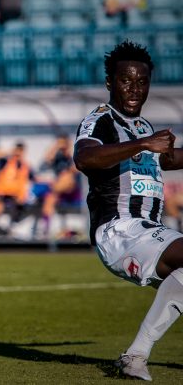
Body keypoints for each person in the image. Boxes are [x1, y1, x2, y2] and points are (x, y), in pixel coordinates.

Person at [73, 40, 183, 381]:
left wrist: (149, 144)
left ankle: (135, 357)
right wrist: (142, 144)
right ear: (110, 82)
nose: (134, 89)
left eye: (142, 82)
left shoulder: (144, 126)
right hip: (118, 231)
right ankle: (135, 356)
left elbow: (168, 159)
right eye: (125, 80)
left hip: (148, 230)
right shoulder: (101, 120)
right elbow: (85, 158)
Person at [0, 141, 35, 235]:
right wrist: (11, 152)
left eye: (21, 151)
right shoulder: (6, 161)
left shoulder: (26, 166)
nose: (19, 153)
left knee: (21, 204)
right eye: (18, 150)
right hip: (1, 192)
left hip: (16, 195)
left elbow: (34, 178)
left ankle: (12, 227)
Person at [38, 134, 80, 238]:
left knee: (66, 176)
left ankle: (55, 188)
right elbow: (47, 159)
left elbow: (76, 169)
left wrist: (69, 148)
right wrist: (56, 146)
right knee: (49, 199)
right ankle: (45, 230)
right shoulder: (58, 156)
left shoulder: (73, 155)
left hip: (73, 189)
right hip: (59, 191)